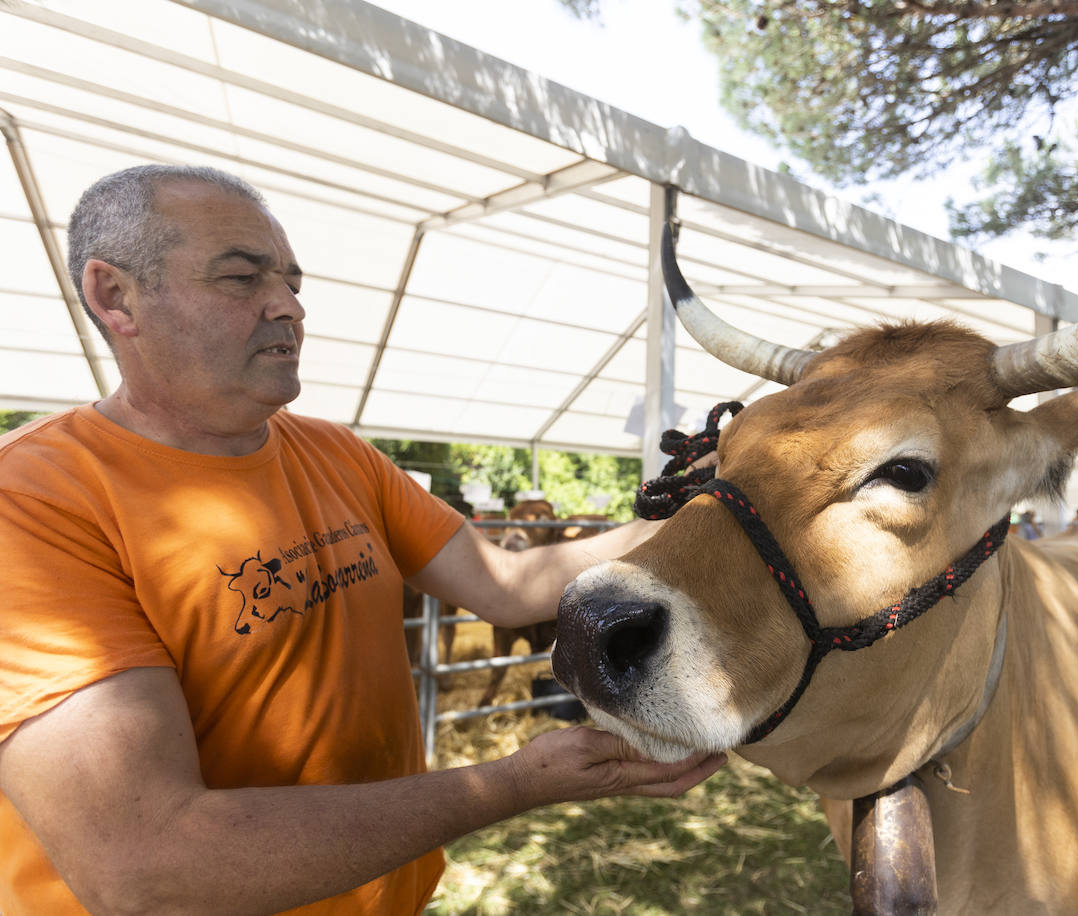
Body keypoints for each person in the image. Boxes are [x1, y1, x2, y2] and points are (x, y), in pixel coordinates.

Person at [0, 165, 726, 916]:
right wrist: (513, 783)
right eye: (242, 278)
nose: (288, 307)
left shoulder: (335, 452)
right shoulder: (34, 501)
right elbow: (145, 863)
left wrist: (704, 506)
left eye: (291, 281)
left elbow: (506, 586)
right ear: (116, 297)